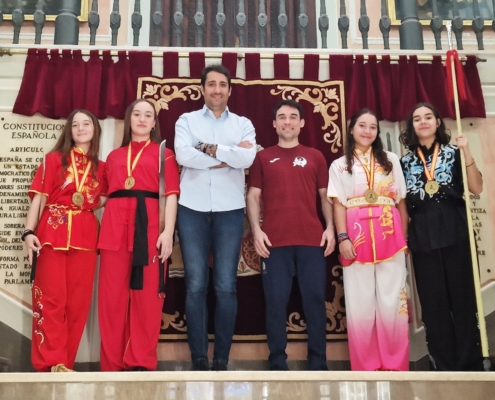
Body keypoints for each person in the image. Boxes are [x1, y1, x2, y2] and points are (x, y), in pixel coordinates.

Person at [174, 64, 256, 371]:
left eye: (222, 84)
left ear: (230, 90)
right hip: (191, 209)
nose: (217, 89)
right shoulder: (186, 120)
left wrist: (206, 150)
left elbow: (247, 157)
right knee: (195, 285)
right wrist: (227, 155)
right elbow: (183, 156)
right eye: (211, 84)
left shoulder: (243, 123)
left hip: (229, 211)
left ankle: (221, 359)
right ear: (202, 89)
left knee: (225, 285)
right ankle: (198, 358)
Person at [246, 99, 335, 371]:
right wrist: (256, 231)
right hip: (274, 242)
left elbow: (325, 197)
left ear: (302, 123)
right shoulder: (262, 157)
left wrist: (330, 227)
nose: (287, 121)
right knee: (275, 303)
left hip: (312, 240)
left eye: (293, 117)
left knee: (315, 302)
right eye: (282, 117)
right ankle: (277, 361)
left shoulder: (316, 156)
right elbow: (253, 195)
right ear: (274, 123)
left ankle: (318, 362)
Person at [399, 102, 484, 371]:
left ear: (438, 122)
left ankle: (470, 361)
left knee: (463, 298)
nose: (422, 122)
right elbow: (402, 205)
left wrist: (467, 151)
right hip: (422, 234)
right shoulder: (404, 161)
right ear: (411, 126)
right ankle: (442, 363)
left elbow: (476, 187)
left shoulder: (454, 152)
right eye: (416, 119)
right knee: (433, 303)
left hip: (455, 228)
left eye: (428, 117)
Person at [98, 99, 180, 371]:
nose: (142, 119)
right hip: (114, 230)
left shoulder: (163, 154)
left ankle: (141, 361)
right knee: (111, 299)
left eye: (148, 115)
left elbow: (170, 195)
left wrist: (168, 232)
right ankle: (111, 363)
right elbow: (100, 197)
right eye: (137, 114)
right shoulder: (113, 156)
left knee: (147, 300)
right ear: (129, 118)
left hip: (151, 231)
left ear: (154, 123)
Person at [327, 108, 409, 371]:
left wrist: (404, 239)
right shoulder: (339, 165)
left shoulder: (392, 160)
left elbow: (402, 203)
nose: (367, 131)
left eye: (372, 127)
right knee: (359, 302)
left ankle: (396, 364)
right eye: (361, 126)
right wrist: (342, 238)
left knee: (393, 299)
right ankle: (365, 366)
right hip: (356, 236)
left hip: (390, 234)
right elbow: (338, 204)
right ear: (351, 129)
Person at [24, 109, 104, 372]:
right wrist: (28, 233)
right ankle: (49, 363)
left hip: (86, 237)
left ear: (95, 129)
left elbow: (107, 200)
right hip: (51, 235)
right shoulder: (53, 160)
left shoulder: (101, 168)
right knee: (50, 300)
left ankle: (65, 365)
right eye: (76, 125)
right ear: (69, 130)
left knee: (78, 304)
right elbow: (40, 199)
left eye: (86, 123)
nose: (81, 128)